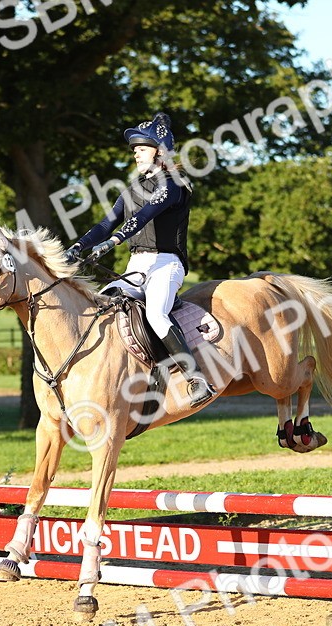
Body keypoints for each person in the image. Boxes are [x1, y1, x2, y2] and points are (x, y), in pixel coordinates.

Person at [64, 112, 214, 408]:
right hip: (136, 266)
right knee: (100, 308)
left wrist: (114, 241)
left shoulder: (173, 185)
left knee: (156, 315)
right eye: (135, 149)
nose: (135, 153)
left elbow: (146, 215)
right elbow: (105, 224)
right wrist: (77, 247)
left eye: (142, 148)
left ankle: (196, 379)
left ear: (160, 152)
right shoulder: (131, 191)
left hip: (166, 264)